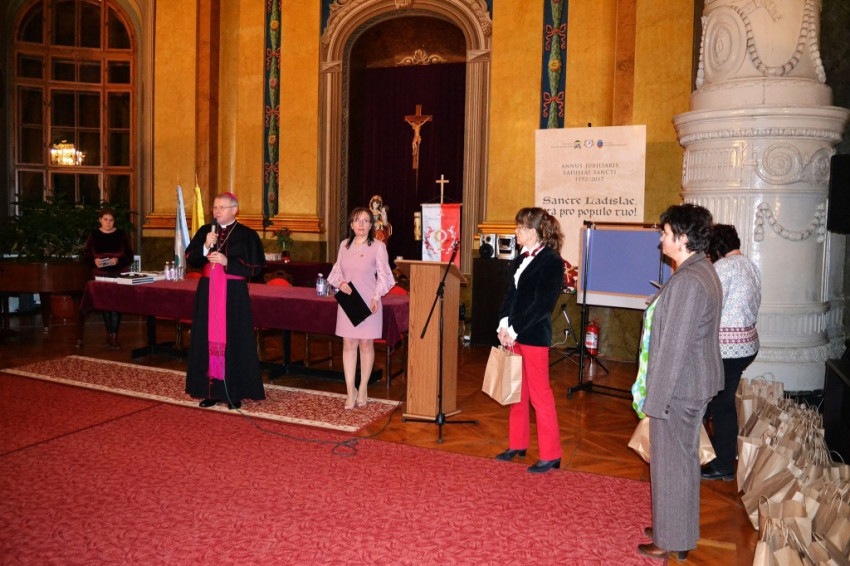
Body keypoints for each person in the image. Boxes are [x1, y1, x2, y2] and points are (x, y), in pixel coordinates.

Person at [636, 203, 723, 562]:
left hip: (679, 388)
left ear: (683, 238)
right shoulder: (698, 269)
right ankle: (678, 532)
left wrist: (655, 402)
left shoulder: (689, 281)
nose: (661, 238)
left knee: (671, 464)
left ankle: (669, 540)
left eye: (666, 232)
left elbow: (673, 348)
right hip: (690, 383)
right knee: (681, 463)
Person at [494, 207, 565, 474]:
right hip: (514, 334)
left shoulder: (552, 261)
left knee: (539, 395)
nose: (516, 231)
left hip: (533, 336)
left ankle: (551, 454)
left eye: (520, 227)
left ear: (534, 231)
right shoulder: (520, 258)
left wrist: (514, 329)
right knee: (517, 393)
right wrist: (503, 325)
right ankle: (517, 444)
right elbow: (510, 296)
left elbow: (542, 306)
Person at [184, 192, 266, 409]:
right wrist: (205, 246)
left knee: (234, 338)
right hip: (208, 291)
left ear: (234, 210)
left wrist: (227, 262)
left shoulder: (247, 235)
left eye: (221, 207)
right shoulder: (206, 231)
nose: (216, 211)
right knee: (206, 338)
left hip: (233, 294)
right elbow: (191, 258)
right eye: (215, 207)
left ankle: (234, 392)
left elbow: (256, 268)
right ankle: (210, 391)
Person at [702, 224, 761, 481]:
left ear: (716, 248)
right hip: (747, 344)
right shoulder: (750, 265)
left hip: (728, 348)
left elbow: (708, 307)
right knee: (718, 400)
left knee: (721, 405)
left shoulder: (722, 268)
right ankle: (713, 454)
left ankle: (724, 464)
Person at [327, 207, 395, 410]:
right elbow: (336, 270)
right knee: (348, 344)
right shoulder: (344, 245)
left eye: (366, 221)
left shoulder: (378, 247)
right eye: (357, 220)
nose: (361, 224)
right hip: (349, 302)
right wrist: (340, 283)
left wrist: (376, 296)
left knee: (366, 344)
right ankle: (350, 390)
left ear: (371, 225)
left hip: (369, 301)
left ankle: (363, 387)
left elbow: (385, 276)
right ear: (351, 224)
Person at [82, 207, 134, 349]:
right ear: (100, 220)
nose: (108, 223)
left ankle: (114, 336)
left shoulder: (121, 235)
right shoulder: (94, 235)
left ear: (114, 221)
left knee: (116, 305)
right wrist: (94, 261)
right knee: (104, 304)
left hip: (119, 274)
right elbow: (86, 254)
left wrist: (118, 260)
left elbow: (129, 255)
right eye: (105, 219)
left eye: (111, 220)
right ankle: (109, 334)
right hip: (101, 275)